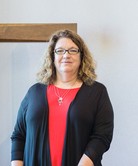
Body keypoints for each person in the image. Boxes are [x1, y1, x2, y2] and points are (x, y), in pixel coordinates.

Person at [10, 29, 114, 166]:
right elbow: (19, 135)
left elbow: (102, 136)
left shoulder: (97, 92)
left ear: (81, 56)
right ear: (52, 56)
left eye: (72, 50)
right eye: (60, 51)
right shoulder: (34, 92)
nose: (66, 55)